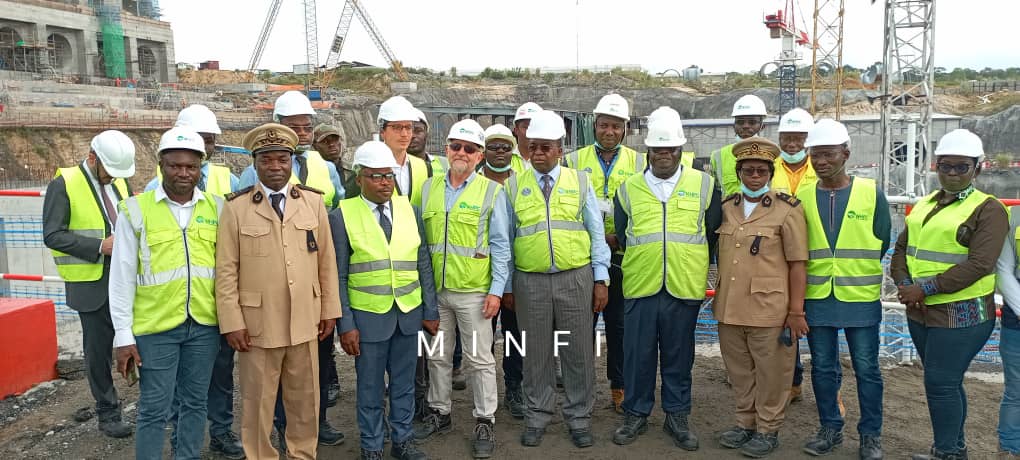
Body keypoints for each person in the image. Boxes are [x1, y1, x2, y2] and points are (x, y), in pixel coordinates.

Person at [216, 123, 342, 460]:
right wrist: (232, 321)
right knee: (257, 403)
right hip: (257, 325)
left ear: (292, 163)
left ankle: (303, 454)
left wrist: (329, 309)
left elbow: (326, 261)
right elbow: (226, 270)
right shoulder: (236, 208)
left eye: (282, 160)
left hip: (305, 319)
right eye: (267, 160)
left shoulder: (313, 203)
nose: (275, 167)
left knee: (305, 400)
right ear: (255, 163)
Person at [109, 128, 224, 460]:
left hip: (204, 325)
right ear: (161, 164)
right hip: (155, 329)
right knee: (154, 409)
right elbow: (121, 278)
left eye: (191, 166)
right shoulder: (135, 211)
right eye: (175, 166)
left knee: (195, 403)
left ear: (200, 166)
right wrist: (123, 335)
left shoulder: (218, 209)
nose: (184, 173)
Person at [892, 129, 1007, 460]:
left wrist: (924, 288)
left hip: (962, 314)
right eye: (946, 166)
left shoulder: (989, 209)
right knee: (947, 383)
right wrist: (903, 283)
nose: (953, 174)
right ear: (936, 166)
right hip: (921, 310)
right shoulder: (926, 202)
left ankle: (945, 452)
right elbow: (902, 247)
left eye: (962, 167)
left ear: (977, 168)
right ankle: (954, 450)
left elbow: (980, 264)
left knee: (940, 384)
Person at [611, 113, 721, 450]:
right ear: (647, 151)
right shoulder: (628, 189)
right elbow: (626, 237)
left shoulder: (705, 185)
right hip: (642, 286)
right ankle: (636, 413)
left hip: (682, 286)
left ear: (679, 150)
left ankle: (677, 415)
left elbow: (711, 234)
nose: (664, 154)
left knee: (678, 356)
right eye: (658, 149)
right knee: (637, 355)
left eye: (670, 149)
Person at [506, 110, 611, 448]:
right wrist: (507, 286)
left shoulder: (580, 182)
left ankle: (579, 417)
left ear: (560, 149)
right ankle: (537, 415)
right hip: (530, 282)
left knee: (577, 351)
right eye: (533, 146)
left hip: (574, 279)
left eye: (545, 147)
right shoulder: (512, 186)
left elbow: (596, 233)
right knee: (535, 353)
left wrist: (600, 278)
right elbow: (504, 240)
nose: (538, 153)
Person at [146, 104, 244, 459]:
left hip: (215, 305)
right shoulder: (154, 188)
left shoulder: (226, 181)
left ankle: (220, 431)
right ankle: (180, 441)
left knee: (220, 376)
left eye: (209, 141)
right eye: (200, 137)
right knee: (175, 387)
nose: (204, 145)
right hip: (172, 309)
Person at [332, 140, 439, 460]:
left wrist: (430, 309)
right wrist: (346, 325)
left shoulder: (410, 210)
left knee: (405, 384)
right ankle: (372, 444)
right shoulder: (342, 216)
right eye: (376, 177)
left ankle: (402, 440)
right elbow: (338, 276)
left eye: (389, 176)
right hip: (368, 318)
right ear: (360, 178)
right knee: (370, 387)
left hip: (408, 313)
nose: (384, 183)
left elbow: (423, 263)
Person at [413, 119, 511, 458]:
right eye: (456, 146)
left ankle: (485, 419)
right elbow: (423, 246)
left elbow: (501, 246)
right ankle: (439, 412)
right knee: (438, 356)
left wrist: (496, 290)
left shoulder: (491, 192)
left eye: (469, 149)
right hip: (438, 295)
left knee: (479, 360)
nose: (461, 153)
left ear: (480, 155)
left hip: (474, 295)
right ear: (447, 148)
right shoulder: (428, 189)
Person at [797, 119, 888, 460]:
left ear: (845, 154)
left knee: (867, 368)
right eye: (815, 155)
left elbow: (882, 239)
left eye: (828, 154)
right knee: (822, 366)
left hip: (860, 297)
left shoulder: (870, 192)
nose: (821, 162)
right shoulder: (802, 196)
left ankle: (870, 435)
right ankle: (830, 428)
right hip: (818, 295)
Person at [714, 137, 807, 458]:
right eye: (748, 170)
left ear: (770, 172)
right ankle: (745, 423)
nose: (754, 175)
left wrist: (796, 311)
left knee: (772, 374)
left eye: (761, 170)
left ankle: (768, 429)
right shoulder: (726, 208)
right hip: (730, 306)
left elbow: (797, 264)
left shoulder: (788, 209)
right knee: (739, 371)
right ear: (739, 172)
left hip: (770, 308)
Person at [42, 130, 135, 439]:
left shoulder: (120, 179)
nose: (113, 178)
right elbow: (53, 234)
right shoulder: (64, 183)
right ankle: (108, 413)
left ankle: (152, 402)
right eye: (109, 171)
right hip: (91, 283)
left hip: (127, 277)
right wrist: (98, 246)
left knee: (139, 339)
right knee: (97, 352)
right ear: (93, 158)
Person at [563, 94, 642, 412]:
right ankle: (579, 388)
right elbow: (565, 209)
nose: (609, 131)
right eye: (604, 125)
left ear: (625, 129)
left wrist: (618, 237)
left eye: (616, 126)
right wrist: (594, 238)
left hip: (621, 257)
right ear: (594, 126)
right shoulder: (574, 161)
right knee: (581, 327)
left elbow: (643, 209)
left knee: (619, 327)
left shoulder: (639, 162)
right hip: (584, 257)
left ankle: (619, 387)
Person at [769, 107, 816, 406]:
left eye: (798, 138)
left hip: (816, 256)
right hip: (778, 257)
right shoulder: (768, 169)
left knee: (815, 324)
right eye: (787, 138)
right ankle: (793, 381)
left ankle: (828, 390)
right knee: (782, 321)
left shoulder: (821, 168)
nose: (792, 145)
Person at [480, 123, 526, 419]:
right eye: (494, 147)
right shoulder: (472, 183)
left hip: (515, 274)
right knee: (481, 339)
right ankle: (483, 392)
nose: (500, 152)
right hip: (479, 277)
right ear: (484, 150)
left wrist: (508, 283)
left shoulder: (522, 184)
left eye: (505, 147)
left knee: (513, 335)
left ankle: (513, 386)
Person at [239, 91, 346, 211]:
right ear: (278, 127)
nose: (303, 133)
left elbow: (338, 206)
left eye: (308, 128)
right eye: (294, 128)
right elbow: (243, 214)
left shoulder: (327, 167)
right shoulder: (254, 173)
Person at [345, 96, 431, 207]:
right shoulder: (366, 168)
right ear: (382, 131)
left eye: (408, 127)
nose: (404, 134)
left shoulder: (423, 167)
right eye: (397, 127)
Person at [312, 121, 345, 408]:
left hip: (333, 251)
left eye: (336, 140)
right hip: (315, 252)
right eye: (326, 141)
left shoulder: (343, 171)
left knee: (329, 319)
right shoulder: (319, 169)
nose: (333, 145)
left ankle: (329, 379)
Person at [145, 104, 239, 197]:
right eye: (197, 141)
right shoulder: (155, 187)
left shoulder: (231, 181)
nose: (202, 147)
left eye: (208, 141)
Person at [710, 95, 768, 197]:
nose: (745, 126)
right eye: (740, 122)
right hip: (729, 212)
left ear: (762, 126)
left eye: (752, 122)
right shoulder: (718, 156)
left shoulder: (773, 155)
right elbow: (714, 193)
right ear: (734, 126)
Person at [997, 196, 1020, 458]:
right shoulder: (1013, 217)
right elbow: (1004, 269)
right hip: (1016, 320)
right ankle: (1009, 450)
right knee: (1016, 391)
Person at [408, 108, 450, 176]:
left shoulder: (445, 165)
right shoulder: (392, 168)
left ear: (427, 134)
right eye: (408, 131)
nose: (412, 136)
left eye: (418, 131)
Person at [510, 102, 541, 173]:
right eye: (526, 127)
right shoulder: (506, 158)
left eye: (535, 127)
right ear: (516, 130)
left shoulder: (553, 161)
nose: (531, 132)